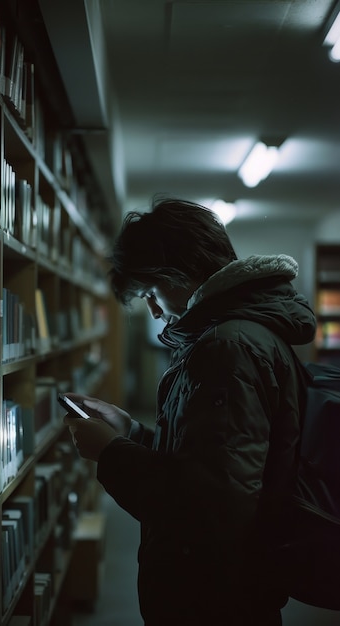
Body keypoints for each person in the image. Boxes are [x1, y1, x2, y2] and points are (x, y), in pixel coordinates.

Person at [63, 197, 316, 626]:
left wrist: (111, 454)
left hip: (213, 601)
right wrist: (130, 432)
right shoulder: (231, 338)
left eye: (151, 293)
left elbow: (209, 512)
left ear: (178, 273)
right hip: (225, 591)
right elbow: (207, 464)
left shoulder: (228, 347)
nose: (155, 310)